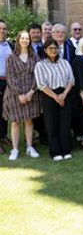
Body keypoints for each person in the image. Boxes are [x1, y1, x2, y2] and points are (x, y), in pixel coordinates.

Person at [3, 30, 41, 160]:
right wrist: (19, 94)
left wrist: (31, 92)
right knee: (15, 122)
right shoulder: (11, 58)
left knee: (29, 121)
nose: (25, 40)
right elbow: (10, 77)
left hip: (31, 92)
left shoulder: (34, 57)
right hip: (15, 94)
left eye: (27, 39)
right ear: (18, 40)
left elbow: (38, 75)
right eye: (22, 38)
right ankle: (15, 149)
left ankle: (30, 147)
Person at [34, 39, 75, 161]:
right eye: (50, 48)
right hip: (49, 96)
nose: (53, 50)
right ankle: (55, 151)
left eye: (55, 48)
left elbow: (71, 80)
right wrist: (55, 97)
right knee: (51, 125)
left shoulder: (65, 63)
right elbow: (41, 85)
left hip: (65, 95)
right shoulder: (40, 65)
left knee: (65, 123)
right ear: (45, 50)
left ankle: (65, 150)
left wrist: (63, 95)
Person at [0, 20, 14, 154]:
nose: (2, 31)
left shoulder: (10, 45)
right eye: (0, 28)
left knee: (5, 110)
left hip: (7, 82)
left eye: (4, 29)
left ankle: (3, 136)